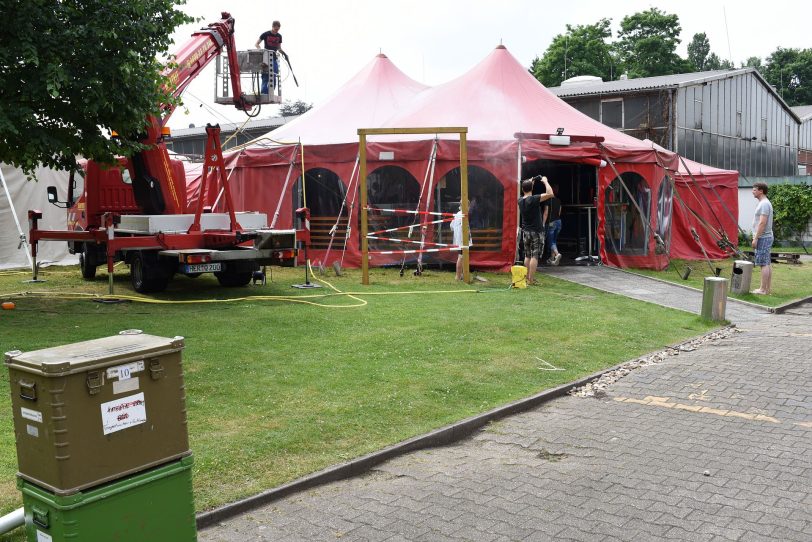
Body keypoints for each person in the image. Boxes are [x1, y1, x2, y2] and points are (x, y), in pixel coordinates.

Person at [518, 175, 554, 285]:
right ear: (532, 188)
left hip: (526, 231)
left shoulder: (520, 200)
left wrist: (530, 182)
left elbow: (527, 190)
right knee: (535, 256)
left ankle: (527, 278)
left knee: (527, 255)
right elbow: (550, 194)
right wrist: (545, 181)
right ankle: (531, 280)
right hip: (536, 232)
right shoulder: (533, 199)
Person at [750, 182, 774, 295]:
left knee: (763, 263)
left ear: (761, 191)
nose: (752, 191)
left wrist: (756, 238)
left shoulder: (764, 204)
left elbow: (762, 223)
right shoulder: (764, 203)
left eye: (754, 190)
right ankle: (767, 289)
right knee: (767, 263)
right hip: (766, 236)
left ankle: (763, 289)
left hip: (763, 237)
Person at [255, 21, 285, 95]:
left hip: (274, 57)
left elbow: (279, 48)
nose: (276, 31)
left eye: (278, 29)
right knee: (265, 76)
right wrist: (261, 50)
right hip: (266, 57)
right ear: (272, 27)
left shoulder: (279, 36)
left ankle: (271, 92)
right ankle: (264, 92)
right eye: (275, 29)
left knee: (274, 74)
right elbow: (256, 44)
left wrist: (283, 53)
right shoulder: (266, 34)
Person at [450, 203, 472, 280]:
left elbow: (451, 226)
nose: (469, 208)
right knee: (461, 257)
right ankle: (458, 276)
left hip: (459, 239)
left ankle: (461, 274)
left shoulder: (457, 214)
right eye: (469, 206)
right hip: (463, 240)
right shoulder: (463, 214)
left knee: (462, 257)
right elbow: (464, 227)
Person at [544, 183, 563, 266]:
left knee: (551, 242)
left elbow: (546, 213)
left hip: (551, 223)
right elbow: (559, 212)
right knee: (554, 241)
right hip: (559, 222)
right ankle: (552, 259)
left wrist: (543, 224)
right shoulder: (558, 200)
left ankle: (557, 254)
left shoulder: (548, 200)